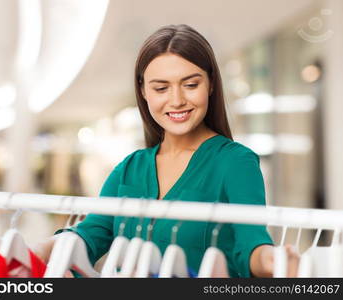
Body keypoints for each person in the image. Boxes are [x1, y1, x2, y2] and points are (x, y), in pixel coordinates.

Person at [35, 24, 299, 277]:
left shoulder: (235, 162)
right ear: (143, 91)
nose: (176, 100)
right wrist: (39, 250)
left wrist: (272, 261)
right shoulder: (130, 168)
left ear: (211, 85)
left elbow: (250, 243)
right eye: (161, 88)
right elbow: (94, 232)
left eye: (191, 85)